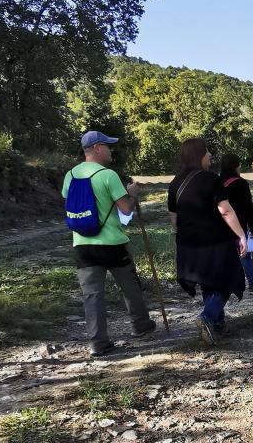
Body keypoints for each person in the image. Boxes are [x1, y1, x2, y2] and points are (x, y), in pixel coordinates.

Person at [61, 130, 155, 357]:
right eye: (108, 146)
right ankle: (141, 325)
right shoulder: (108, 175)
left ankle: (98, 343)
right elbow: (125, 209)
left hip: (82, 243)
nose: (111, 150)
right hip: (112, 242)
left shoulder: (70, 175)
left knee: (92, 295)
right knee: (130, 286)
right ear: (97, 148)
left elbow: (69, 201)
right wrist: (132, 193)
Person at [168, 139, 247, 344]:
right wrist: (241, 235)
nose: (210, 156)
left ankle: (217, 326)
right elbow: (225, 210)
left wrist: (185, 234)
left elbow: (173, 217)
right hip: (215, 240)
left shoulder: (175, 182)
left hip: (187, 243)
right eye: (207, 152)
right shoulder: (211, 179)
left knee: (207, 281)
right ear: (199, 156)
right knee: (228, 279)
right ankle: (208, 316)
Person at [220, 153, 253, 294]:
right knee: (244, 255)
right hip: (238, 226)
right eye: (239, 164)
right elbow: (248, 208)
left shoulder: (217, 182)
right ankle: (252, 284)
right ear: (235, 166)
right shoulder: (241, 183)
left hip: (220, 226)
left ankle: (225, 286)